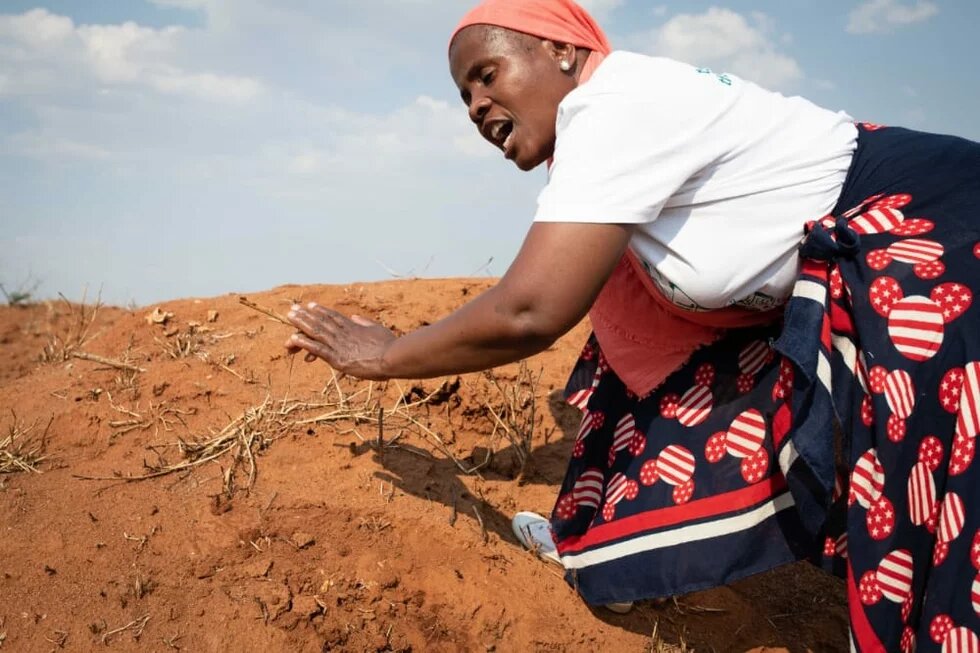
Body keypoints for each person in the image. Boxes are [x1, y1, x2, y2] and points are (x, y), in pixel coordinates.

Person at [285, 0, 980, 649]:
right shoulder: (608, 125)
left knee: (931, 501)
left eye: (486, 74)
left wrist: (386, 354)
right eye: (464, 95)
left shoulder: (612, 108)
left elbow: (532, 309)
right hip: (893, 229)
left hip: (939, 230)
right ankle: (607, 541)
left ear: (561, 47)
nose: (475, 106)